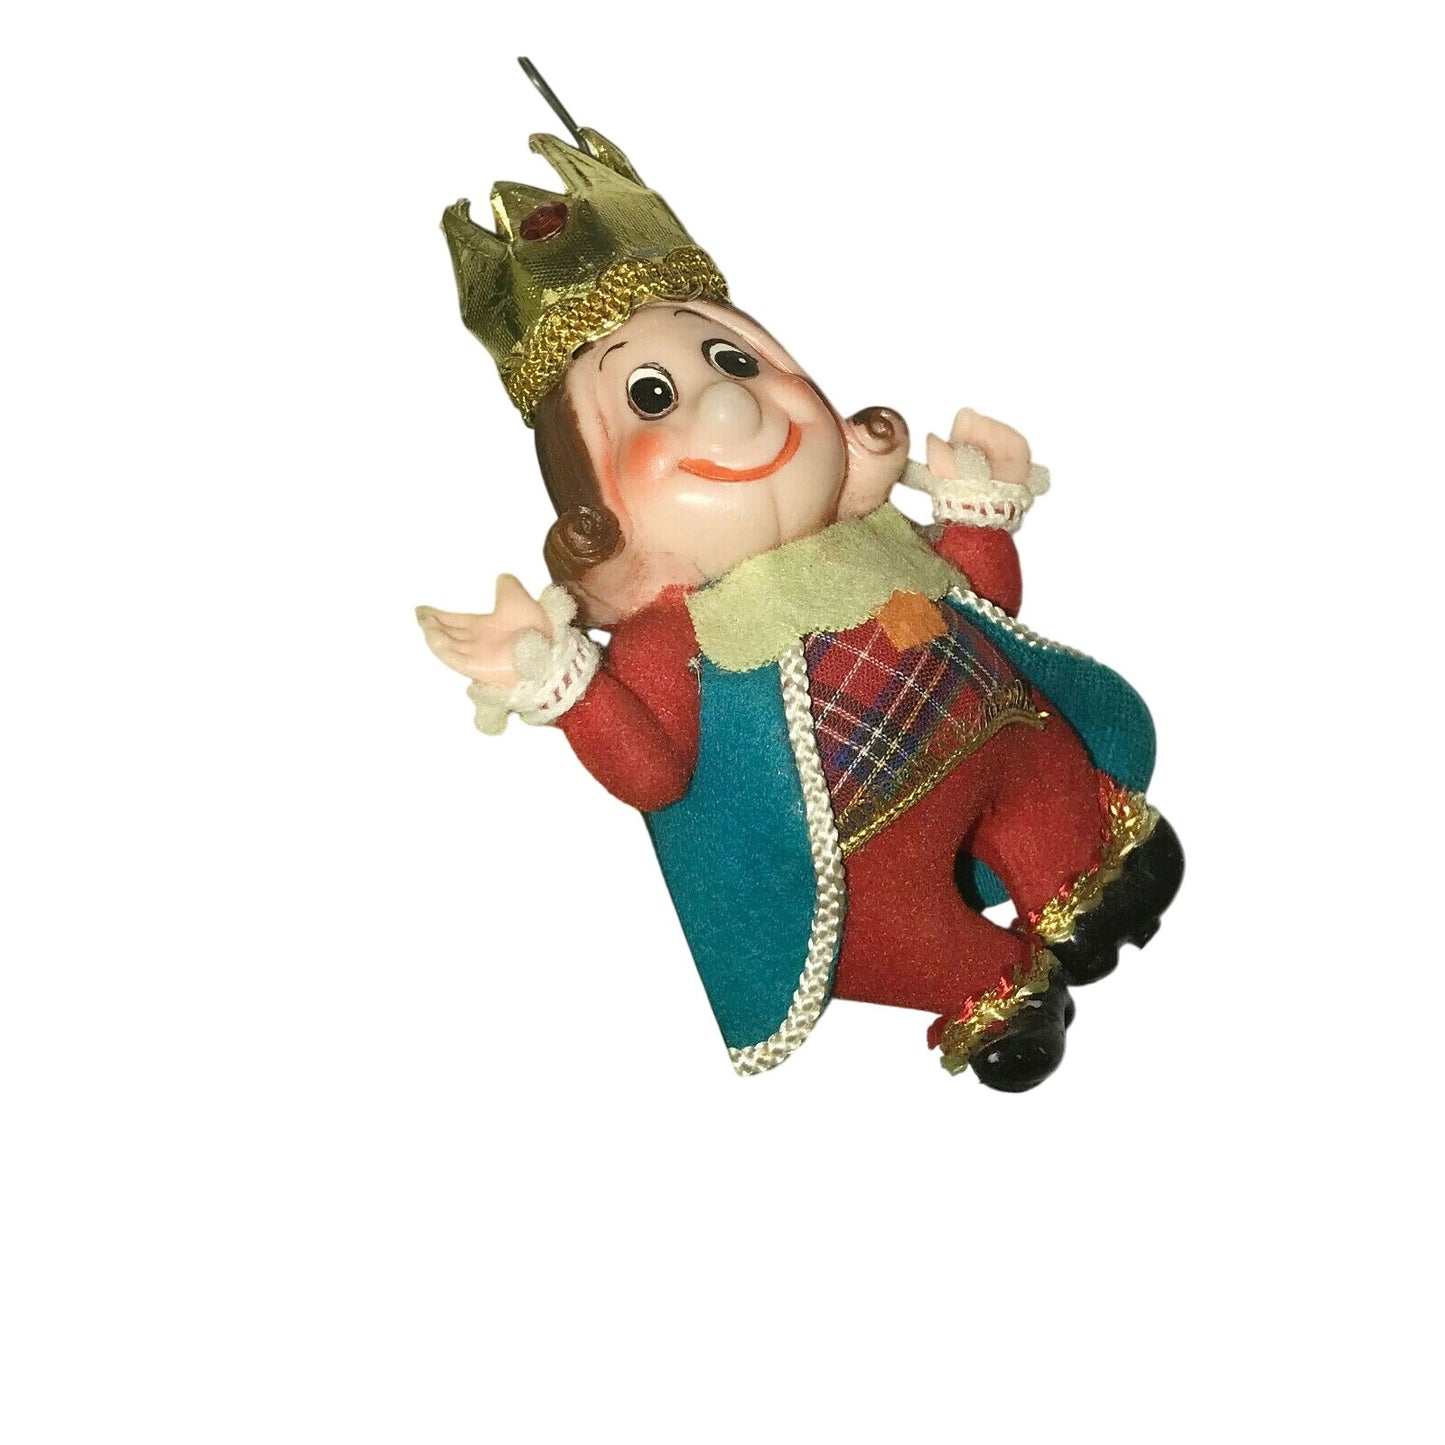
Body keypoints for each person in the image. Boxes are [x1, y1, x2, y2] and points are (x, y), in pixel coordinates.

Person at [418, 126, 1182, 1090]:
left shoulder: (873, 535)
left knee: (1045, 779)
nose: (730, 408)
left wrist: (975, 517)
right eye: (651, 397)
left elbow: (980, 604)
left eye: (733, 361)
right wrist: (565, 685)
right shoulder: (670, 642)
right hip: (853, 863)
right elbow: (654, 774)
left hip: (1003, 738)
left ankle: (1079, 869)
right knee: (892, 929)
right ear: (597, 503)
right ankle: (984, 984)